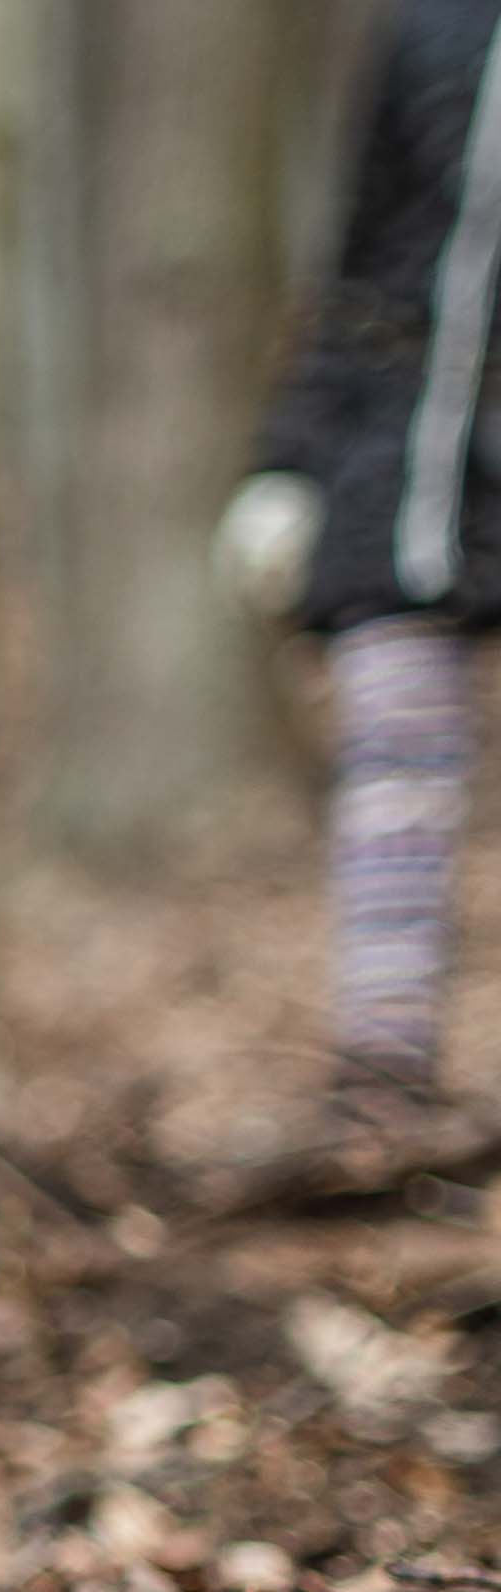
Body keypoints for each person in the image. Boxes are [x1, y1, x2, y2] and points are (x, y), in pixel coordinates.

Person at [224, 0, 501, 1122]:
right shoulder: (434, 27)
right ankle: (383, 1080)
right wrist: (287, 462)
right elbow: (363, 260)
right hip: (409, 462)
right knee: (394, 752)